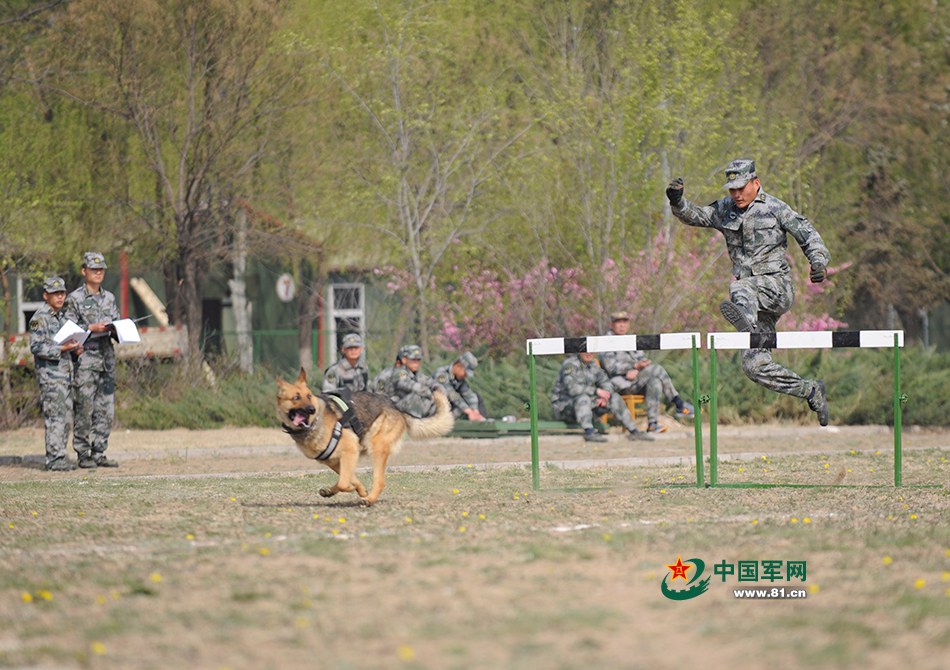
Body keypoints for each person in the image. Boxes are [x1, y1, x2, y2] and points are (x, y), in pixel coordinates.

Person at [666, 159, 830, 425]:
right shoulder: (724, 209)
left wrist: (818, 261)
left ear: (755, 183)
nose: (736, 194)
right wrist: (677, 202)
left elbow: (808, 233)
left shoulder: (775, 208)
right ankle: (811, 390)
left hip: (777, 288)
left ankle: (747, 326)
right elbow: (696, 215)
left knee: (740, 286)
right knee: (754, 366)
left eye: (741, 188)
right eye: (732, 189)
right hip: (752, 305)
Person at [64, 252, 120, 468]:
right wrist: (90, 328)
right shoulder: (74, 299)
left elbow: (115, 322)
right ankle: (83, 453)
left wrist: (119, 330)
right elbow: (67, 330)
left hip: (106, 356)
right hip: (86, 356)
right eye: (94, 269)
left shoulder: (110, 298)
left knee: (106, 408)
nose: (98, 273)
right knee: (85, 406)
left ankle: (99, 452)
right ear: (84, 271)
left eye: (101, 270)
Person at [599, 310, 694, 433]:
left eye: (624, 321)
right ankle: (678, 403)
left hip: (637, 380)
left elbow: (641, 358)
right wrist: (632, 367)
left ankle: (653, 424)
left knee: (654, 381)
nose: (622, 325)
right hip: (619, 383)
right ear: (612, 324)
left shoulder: (631, 339)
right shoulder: (606, 341)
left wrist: (640, 366)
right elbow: (610, 367)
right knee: (657, 369)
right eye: (618, 322)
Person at [29, 276, 84, 471]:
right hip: (50, 377)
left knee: (65, 417)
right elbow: (36, 347)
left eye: (62, 293)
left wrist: (75, 349)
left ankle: (60, 456)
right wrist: (61, 348)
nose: (60, 297)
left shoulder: (62, 317)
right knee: (55, 417)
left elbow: (65, 344)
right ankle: (54, 459)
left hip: (64, 376)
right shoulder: (39, 318)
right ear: (46, 296)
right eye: (55, 294)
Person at [550, 351, 653, 443]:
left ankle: (633, 430)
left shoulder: (593, 365)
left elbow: (606, 382)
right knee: (583, 398)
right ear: (579, 351)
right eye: (585, 350)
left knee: (614, 397)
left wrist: (605, 395)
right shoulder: (570, 365)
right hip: (565, 407)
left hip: (585, 406)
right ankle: (589, 432)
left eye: (591, 350)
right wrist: (596, 391)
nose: (588, 353)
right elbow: (573, 389)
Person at [390, 344, 443, 418]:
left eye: (418, 360)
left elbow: (432, 382)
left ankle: (429, 426)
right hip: (392, 409)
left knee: (434, 402)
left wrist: (437, 390)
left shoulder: (418, 374)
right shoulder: (399, 372)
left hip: (406, 410)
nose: (416, 363)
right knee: (415, 397)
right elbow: (408, 385)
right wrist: (429, 393)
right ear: (404, 360)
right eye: (413, 360)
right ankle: (414, 427)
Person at [432, 351, 487, 421]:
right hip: (436, 409)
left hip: (452, 407)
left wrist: (475, 411)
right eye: (465, 373)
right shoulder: (441, 374)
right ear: (458, 366)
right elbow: (452, 394)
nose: (466, 376)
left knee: (477, 397)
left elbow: (468, 394)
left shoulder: (459, 379)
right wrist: (469, 411)